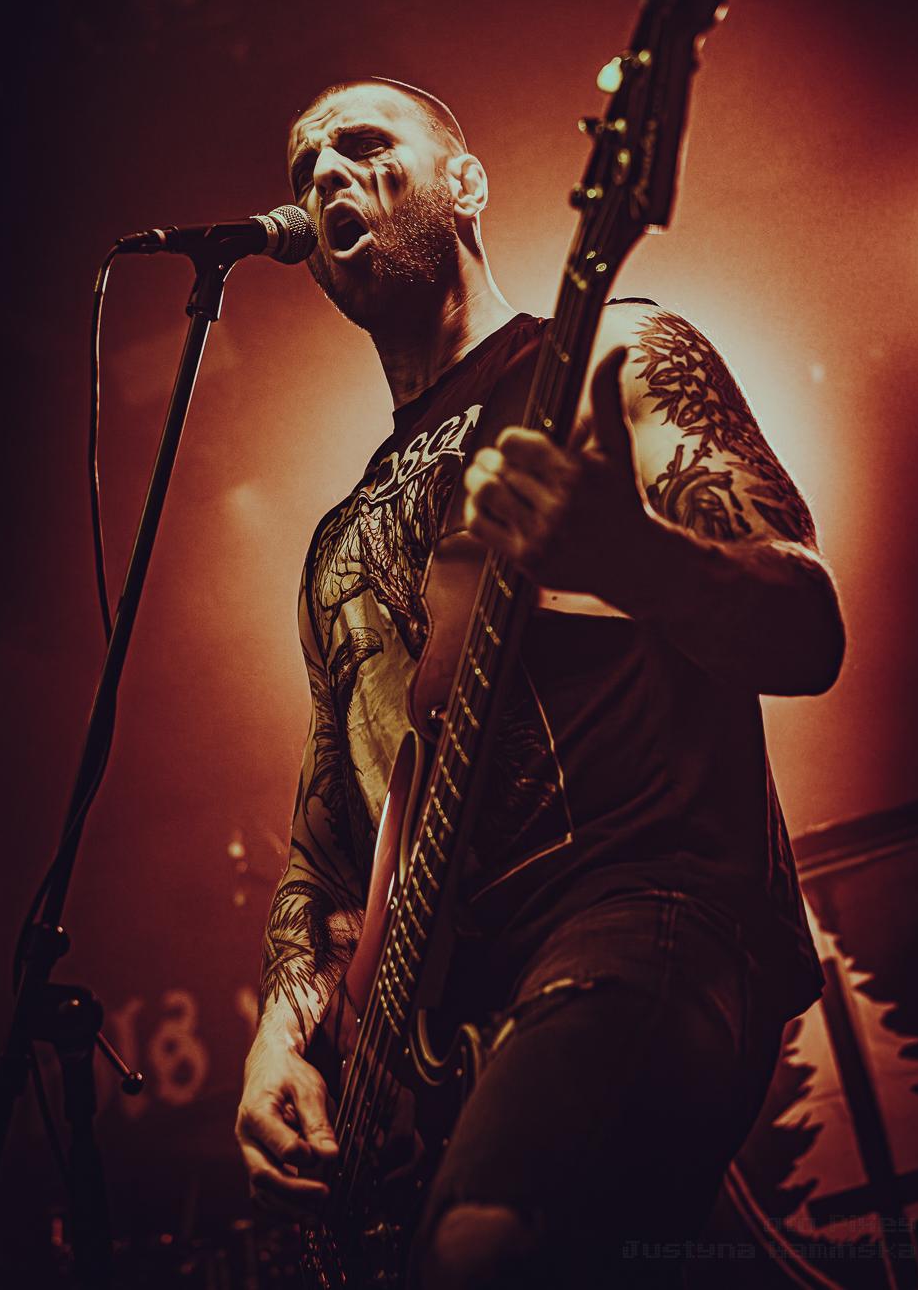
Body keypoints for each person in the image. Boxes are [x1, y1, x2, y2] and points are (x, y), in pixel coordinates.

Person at [234, 76, 845, 1287]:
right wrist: (281, 1036)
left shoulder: (616, 351)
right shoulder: (335, 544)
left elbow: (806, 628)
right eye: (304, 166)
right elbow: (329, 844)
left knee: (485, 1247)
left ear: (465, 185)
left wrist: (630, 554)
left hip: (644, 909)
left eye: (363, 144)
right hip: (445, 1035)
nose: (324, 175)